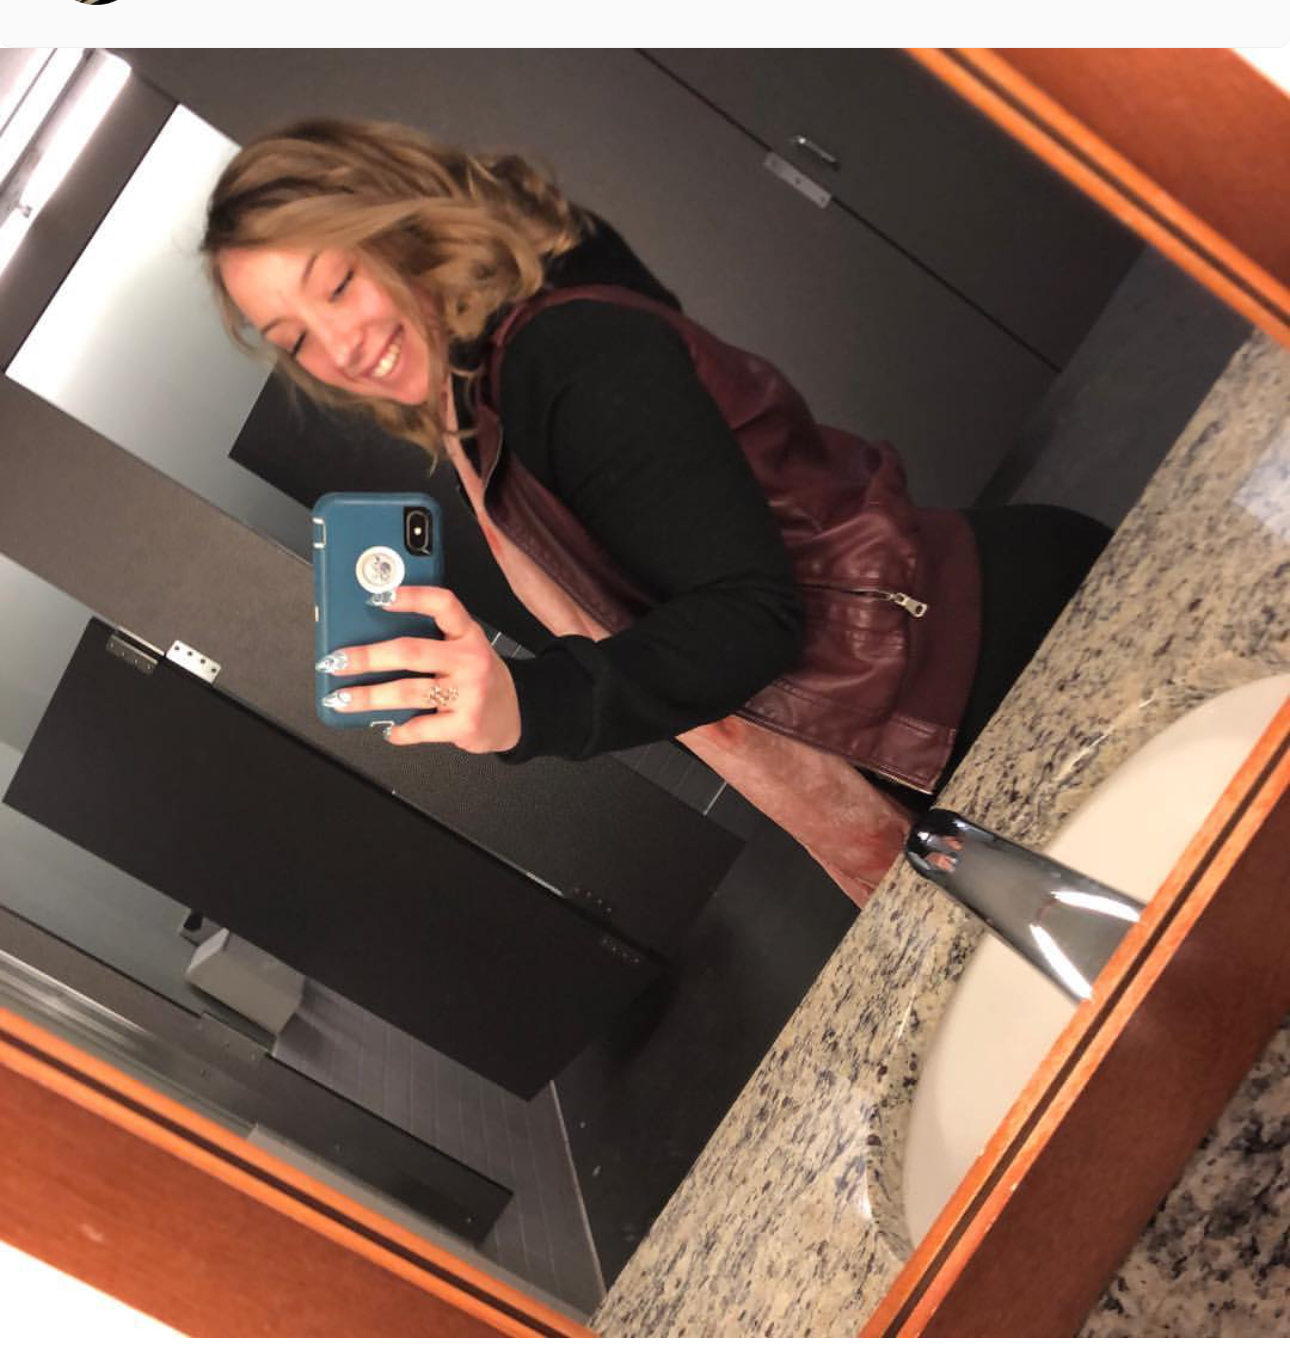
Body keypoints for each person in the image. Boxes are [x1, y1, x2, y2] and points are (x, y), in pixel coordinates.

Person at [202, 118, 1110, 906]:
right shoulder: (476, 396)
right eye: (296, 339)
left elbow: (749, 616)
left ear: (398, 227)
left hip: (986, 675)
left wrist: (527, 704)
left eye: (338, 284)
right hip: (917, 706)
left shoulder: (558, 358)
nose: (341, 345)